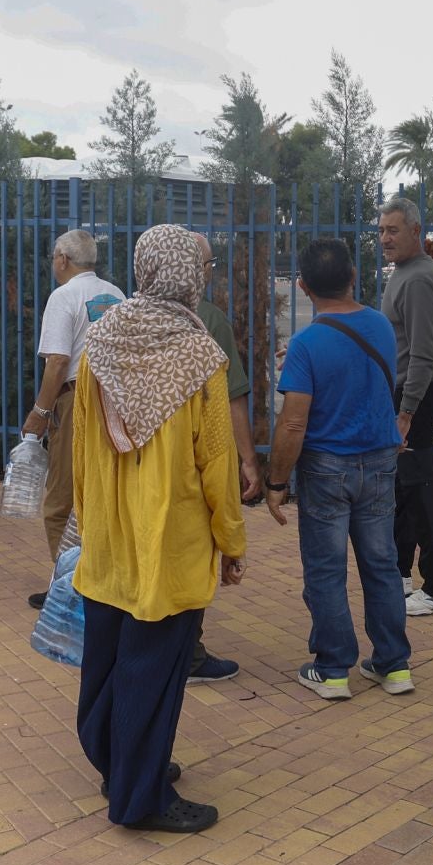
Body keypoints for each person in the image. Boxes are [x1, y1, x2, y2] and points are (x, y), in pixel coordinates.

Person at [70, 224, 245, 834]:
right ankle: (140, 799)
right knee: (155, 666)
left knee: (109, 656)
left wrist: (88, 521)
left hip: (111, 533)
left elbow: (80, 444)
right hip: (170, 538)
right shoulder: (199, 355)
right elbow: (216, 460)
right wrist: (231, 540)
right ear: (190, 277)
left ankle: (117, 761)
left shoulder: (101, 340)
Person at [264, 238, 412, 700]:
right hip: (381, 462)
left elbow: (293, 422)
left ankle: (332, 669)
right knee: (382, 565)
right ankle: (393, 665)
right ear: (353, 275)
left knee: (326, 570)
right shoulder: (382, 328)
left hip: (327, 468)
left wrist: (276, 482)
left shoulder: (307, 345)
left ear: (304, 287)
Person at [22, 230, 126, 593]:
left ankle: (68, 586)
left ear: (63, 259)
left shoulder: (63, 296)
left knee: (61, 498)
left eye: (54, 258)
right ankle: (99, 577)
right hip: (115, 403)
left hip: (74, 400)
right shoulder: (116, 295)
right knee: (102, 493)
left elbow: (58, 361)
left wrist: (40, 410)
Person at [377, 197, 433, 617]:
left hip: (415, 395)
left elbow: (424, 355)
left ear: (415, 231)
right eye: (381, 231)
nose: (385, 239)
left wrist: (406, 411)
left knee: (423, 489)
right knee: (405, 487)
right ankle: (402, 574)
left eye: (393, 230)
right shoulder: (409, 273)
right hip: (410, 393)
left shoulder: (419, 281)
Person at [182, 232, 251, 683]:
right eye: (207, 264)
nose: (210, 273)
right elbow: (230, 400)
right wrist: (247, 460)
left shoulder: (121, 319)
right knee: (194, 552)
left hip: (130, 464)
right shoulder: (210, 321)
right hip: (192, 463)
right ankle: (187, 654)